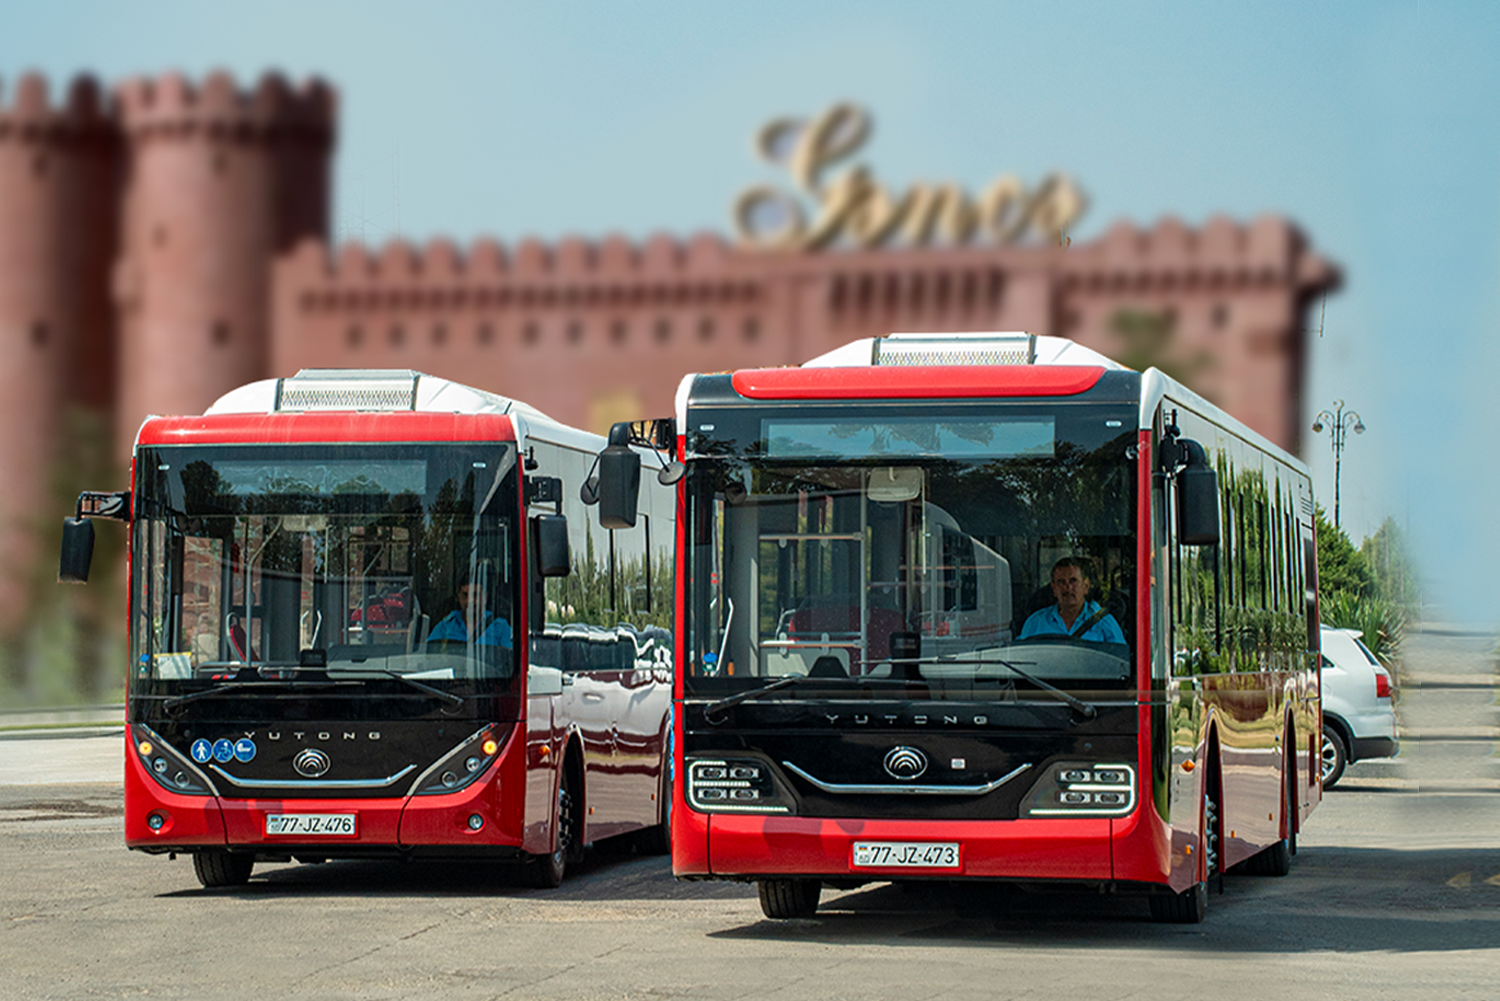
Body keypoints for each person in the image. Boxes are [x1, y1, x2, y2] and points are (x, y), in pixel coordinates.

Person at [1018, 557, 1126, 644]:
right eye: (1061, 582)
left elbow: (1119, 664)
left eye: (1073, 581)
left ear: (1086, 586)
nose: (1067, 587)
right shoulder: (1035, 623)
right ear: (1053, 589)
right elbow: (1020, 658)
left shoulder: (1104, 622)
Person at [426, 574, 512, 648]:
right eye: (465, 595)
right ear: (458, 597)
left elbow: (510, 659)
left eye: (475, 595)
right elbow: (429, 655)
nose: (470, 601)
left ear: (485, 597)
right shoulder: (446, 626)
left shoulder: (500, 627)